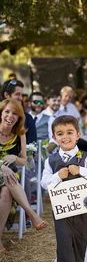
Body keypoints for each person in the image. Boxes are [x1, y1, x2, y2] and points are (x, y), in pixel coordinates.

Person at [41, 115, 87, 262]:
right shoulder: (50, 161)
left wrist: (81, 170)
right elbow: (45, 183)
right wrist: (57, 176)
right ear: (54, 137)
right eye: (60, 134)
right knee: (64, 240)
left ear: (78, 135)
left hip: (84, 206)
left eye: (69, 132)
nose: (65, 137)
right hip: (61, 208)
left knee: (81, 237)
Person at [0, 99, 47, 252]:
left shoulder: (20, 134)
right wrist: (2, 167)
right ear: (1, 113)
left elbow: (24, 161)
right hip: (6, 174)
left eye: (14, 113)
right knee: (9, 176)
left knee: (7, 190)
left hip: (8, 180)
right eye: (7, 112)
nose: (10, 116)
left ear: (19, 117)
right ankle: (31, 213)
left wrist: (14, 158)